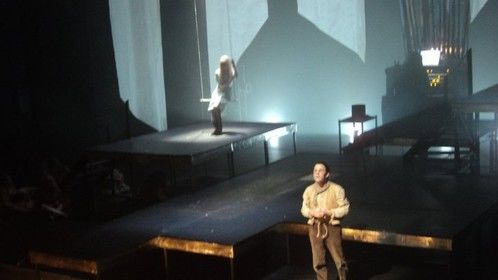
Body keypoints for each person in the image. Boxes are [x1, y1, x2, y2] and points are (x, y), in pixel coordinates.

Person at [301, 161, 350, 280]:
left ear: (327, 174)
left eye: (320, 170)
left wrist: (331, 212)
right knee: (318, 261)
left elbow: (345, 208)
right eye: (315, 171)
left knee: (339, 260)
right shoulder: (309, 190)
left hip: (331, 227)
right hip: (315, 227)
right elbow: (304, 208)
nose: (317, 173)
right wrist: (311, 212)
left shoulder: (337, 189)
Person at [208, 54, 237, 135]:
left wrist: (234, 66)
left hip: (225, 93)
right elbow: (221, 84)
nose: (223, 66)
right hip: (218, 92)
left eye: (225, 65)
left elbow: (232, 79)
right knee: (213, 110)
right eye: (222, 65)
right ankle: (216, 127)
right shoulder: (218, 72)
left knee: (216, 108)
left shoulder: (231, 72)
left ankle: (219, 128)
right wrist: (226, 82)